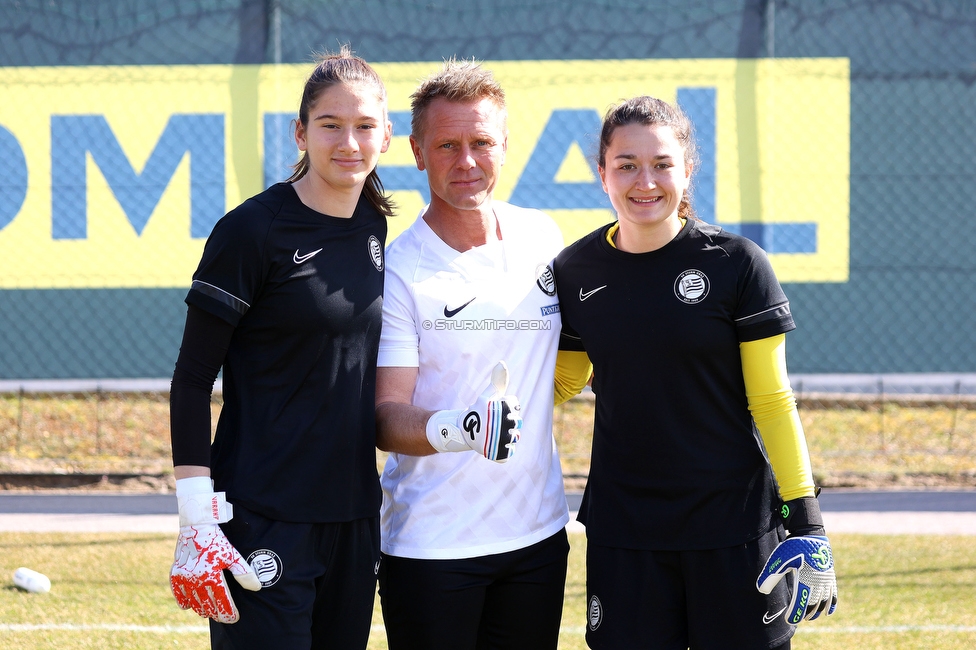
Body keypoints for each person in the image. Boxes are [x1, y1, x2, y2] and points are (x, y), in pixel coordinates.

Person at [552, 95, 838, 649]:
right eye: (627, 165)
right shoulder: (574, 269)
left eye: (662, 164)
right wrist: (481, 402)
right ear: (602, 174)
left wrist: (807, 521)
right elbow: (563, 379)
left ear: (687, 170)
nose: (645, 181)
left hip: (733, 526)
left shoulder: (736, 263)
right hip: (626, 528)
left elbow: (772, 399)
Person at [167, 47, 393, 649]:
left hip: (352, 517)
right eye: (330, 125)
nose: (349, 142)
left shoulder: (373, 225)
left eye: (365, 126)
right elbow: (191, 379)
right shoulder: (251, 231)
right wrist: (195, 514)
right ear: (300, 132)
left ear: (387, 138)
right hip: (263, 514)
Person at [373, 59, 591, 650]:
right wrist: (463, 429)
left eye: (481, 142)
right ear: (417, 152)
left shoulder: (543, 238)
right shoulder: (400, 269)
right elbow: (386, 416)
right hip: (432, 546)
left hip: (538, 536)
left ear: (504, 146)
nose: (466, 161)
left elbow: (568, 361)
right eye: (447, 145)